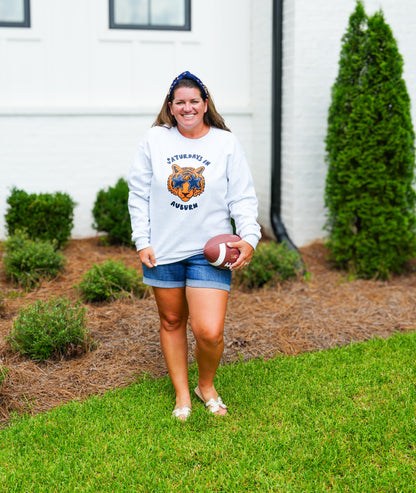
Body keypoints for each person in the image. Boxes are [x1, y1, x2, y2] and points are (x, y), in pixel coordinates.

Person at [128, 71, 261, 421]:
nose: (187, 107)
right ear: (170, 108)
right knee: (171, 320)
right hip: (164, 250)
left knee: (209, 331)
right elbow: (138, 195)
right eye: (180, 102)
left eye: (194, 101)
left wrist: (249, 236)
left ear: (205, 105)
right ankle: (183, 394)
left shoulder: (225, 143)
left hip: (209, 252)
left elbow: (242, 196)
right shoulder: (155, 140)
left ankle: (207, 385)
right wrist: (142, 240)